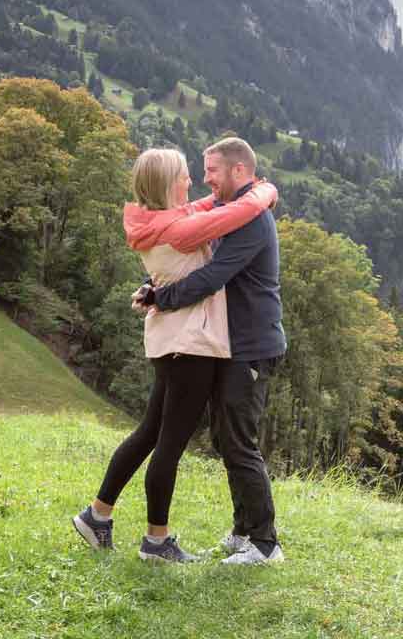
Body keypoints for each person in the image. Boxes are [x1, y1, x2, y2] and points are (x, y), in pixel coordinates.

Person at [72, 147, 278, 563]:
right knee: (170, 444)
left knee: (152, 434)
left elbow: (212, 211)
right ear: (169, 184)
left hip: (176, 341)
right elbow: (213, 257)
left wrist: (155, 293)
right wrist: (263, 193)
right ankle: (157, 541)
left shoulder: (157, 220)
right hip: (190, 343)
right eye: (188, 174)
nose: (196, 181)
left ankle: (99, 515)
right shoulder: (182, 228)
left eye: (208, 171)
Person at [136, 137, 287, 565]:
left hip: (252, 345)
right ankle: (243, 531)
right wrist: (155, 288)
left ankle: (265, 543)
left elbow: (214, 276)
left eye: (213, 171)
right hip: (231, 344)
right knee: (225, 437)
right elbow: (197, 266)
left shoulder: (251, 221)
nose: (205, 179)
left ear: (239, 171)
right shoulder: (231, 213)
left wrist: (159, 300)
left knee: (239, 441)